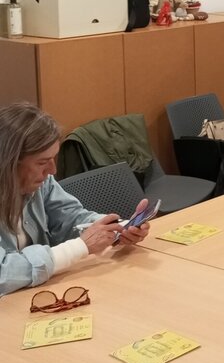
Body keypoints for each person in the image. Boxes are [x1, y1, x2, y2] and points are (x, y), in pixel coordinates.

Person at [0, 103, 151, 295]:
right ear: (9, 163)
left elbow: (71, 218)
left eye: (54, 159)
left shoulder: (41, 182)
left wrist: (119, 228)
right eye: (42, 162)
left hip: (35, 292)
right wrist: (79, 247)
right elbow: (3, 274)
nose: (52, 171)